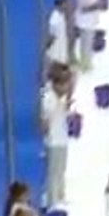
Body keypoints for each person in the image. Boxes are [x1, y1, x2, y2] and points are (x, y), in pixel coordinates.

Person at [40, 65, 72, 207]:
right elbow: (44, 123)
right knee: (54, 173)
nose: (67, 88)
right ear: (56, 84)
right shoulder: (48, 98)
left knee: (61, 170)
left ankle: (60, 196)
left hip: (62, 138)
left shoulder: (59, 97)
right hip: (53, 141)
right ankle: (53, 202)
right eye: (65, 85)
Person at [74, 0, 99, 69]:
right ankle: (85, 65)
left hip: (89, 20)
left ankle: (86, 62)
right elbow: (84, 7)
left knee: (87, 43)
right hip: (85, 21)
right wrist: (97, 5)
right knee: (86, 44)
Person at [45, 0, 71, 72]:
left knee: (62, 58)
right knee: (55, 59)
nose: (65, 6)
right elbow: (52, 33)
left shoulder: (61, 15)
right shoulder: (54, 18)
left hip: (62, 41)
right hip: (56, 43)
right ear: (58, 5)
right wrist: (49, 44)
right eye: (63, 5)